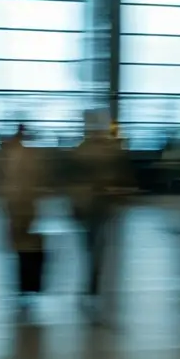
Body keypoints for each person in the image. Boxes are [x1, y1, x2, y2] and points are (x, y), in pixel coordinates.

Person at [69, 110, 130, 307]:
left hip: (87, 204)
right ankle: (93, 283)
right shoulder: (109, 150)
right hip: (101, 205)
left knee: (89, 246)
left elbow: (72, 180)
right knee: (97, 246)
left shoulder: (81, 150)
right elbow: (120, 177)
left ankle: (91, 282)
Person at [0, 124, 46, 303]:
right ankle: (28, 285)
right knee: (23, 247)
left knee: (21, 247)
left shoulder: (16, 156)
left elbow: (15, 183)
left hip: (19, 207)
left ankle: (26, 285)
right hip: (23, 207)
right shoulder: (23, 155)